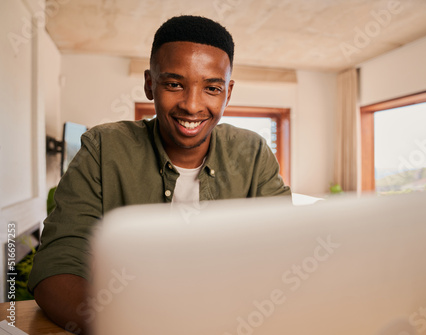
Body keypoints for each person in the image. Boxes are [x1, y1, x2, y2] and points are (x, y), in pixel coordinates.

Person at [28, 15, 290, 334]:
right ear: (150, 84)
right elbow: (57, 266)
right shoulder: (102, 148)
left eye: (211, 88)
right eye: (174, 84)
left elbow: (286, 254)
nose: (192, 106)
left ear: (228, 93)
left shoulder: (253, 153)